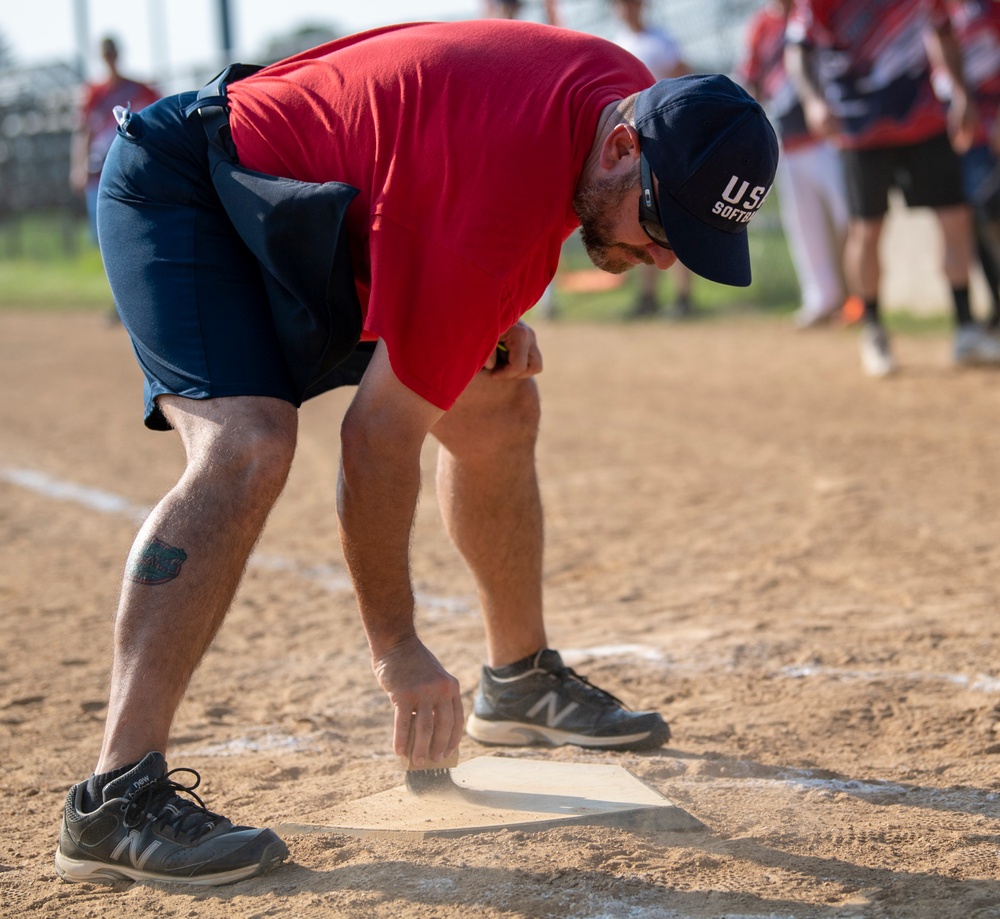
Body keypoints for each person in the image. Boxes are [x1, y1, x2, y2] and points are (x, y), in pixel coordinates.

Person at [53, 20, 778, 887]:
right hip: (194, 189)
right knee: (247, 445)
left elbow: (436, 154)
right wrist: (396, 646)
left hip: (327, 209)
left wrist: (481, 308)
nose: (662, 258)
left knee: (498, 393)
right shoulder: (510, 195)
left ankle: (518, 681)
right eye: (662, 223)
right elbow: (376, 438)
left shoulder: (617, 100)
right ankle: (115, 796)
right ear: (623, 145)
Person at [785, 0, 1000, 376]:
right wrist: (813, 101)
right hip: (858, 125)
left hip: (926, 114)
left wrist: (962, 92)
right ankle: (874, 330)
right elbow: (798, 48)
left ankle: (966, 329)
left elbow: (942, 30)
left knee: (956, 219)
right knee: (866, 231)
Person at [738, 0, 850, 329]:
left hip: (830, 137)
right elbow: (751, 78)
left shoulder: (816, 12)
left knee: (850, 218)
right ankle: (823, 298)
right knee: (805, 225)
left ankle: (858, 295)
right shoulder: (761, 26)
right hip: (787, 139)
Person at [610, 0, 696, 318]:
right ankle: (647, 297)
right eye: (620, 4)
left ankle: (684, 297)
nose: (625, 9)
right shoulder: (617, 42)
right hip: (633, 148)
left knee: (673, 220)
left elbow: (686, 80)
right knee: (639, 221)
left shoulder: (660, 41)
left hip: (663, 141)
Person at [935, 0, 1000, 330]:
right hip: (964, 122)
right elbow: (939, 38)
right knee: (979, 213)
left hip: (993, 112)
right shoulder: (941, 7)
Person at [70, 36, 160, 242]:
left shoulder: (138, 89)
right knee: (102, 233)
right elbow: (83, 131)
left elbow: (158, 115)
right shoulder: (93, 93)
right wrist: (78, 166)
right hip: (99, 166)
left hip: (131, 163)